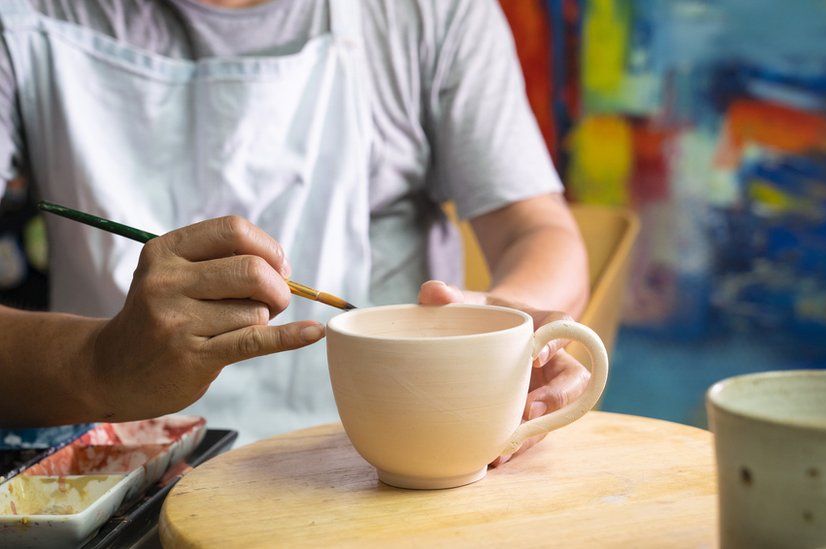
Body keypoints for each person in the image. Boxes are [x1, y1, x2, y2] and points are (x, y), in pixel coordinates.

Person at [0, 0, 591, 460]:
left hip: (375, 475)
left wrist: (509, 330)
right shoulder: (25, 18)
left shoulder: (429, 13)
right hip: (113, 472)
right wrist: (102, 362)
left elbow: (538, 231)